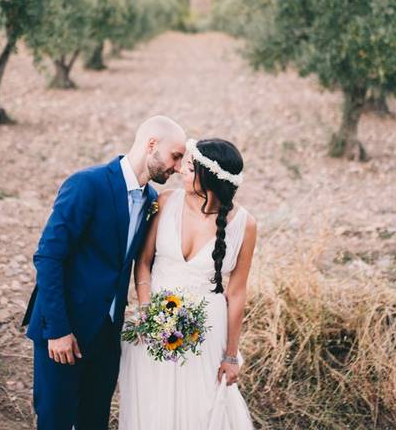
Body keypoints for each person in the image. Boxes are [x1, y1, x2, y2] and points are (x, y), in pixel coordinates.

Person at [23, 116, 187, 430]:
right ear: (151, 145)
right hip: (64, 329)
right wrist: (57, 330)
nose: (178, 167)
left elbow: (142, 265)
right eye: (175, 156)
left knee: (95, 420)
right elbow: (48, 257)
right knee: (55, 420)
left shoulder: (152, 200)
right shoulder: (88, 184)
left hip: (108, 335)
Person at [119, 138, 257, 429]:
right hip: (154, 325)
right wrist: (148, 314)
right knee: (153, 403)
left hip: (207, 331)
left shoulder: (244, 224)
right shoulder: (166, 201)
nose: (180, 169)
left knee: (200, 408)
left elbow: (237, 292)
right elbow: (143, 262)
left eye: (190, 167)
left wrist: (231, 355)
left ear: (210, 178)